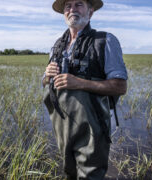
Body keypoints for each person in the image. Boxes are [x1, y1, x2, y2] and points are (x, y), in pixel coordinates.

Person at [43, 0, 128, 179]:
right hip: (62, 126)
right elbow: (45, 83)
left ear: (91, 12)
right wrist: (47, 76)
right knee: (69, 171)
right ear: (64, 13)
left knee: (91, 173)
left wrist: (80, 83)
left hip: (93, 128)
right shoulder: (57, 45)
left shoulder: (105, 41)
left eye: (79, 4)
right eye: (68, 6)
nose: (72, 9)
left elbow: (120, 86)